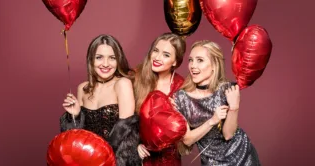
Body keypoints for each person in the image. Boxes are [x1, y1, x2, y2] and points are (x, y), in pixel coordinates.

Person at [173, 40, 261, 165]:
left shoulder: (227, 89)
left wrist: (234, 107)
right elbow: (187, 140)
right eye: (191, 60)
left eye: (200, 60)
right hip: (211, 162)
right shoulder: (181, 97)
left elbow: (228, 134)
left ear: (214, 65)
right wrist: (212, 121)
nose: (193, 65)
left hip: (242, 157)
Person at [60, 34, 141, 166]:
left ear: (118, 60)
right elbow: (76, 139)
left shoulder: (122, 84)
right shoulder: (83, 88)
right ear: (91, 60)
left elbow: (126, 134)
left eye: (112, 58)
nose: (105, 64)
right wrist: (75, 115)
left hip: (116, 162)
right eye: (99, 58)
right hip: (87, 161)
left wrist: (103, 159)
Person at [134, 32, 186, 166]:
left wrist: (179, 113)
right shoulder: (136, 77)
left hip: (170, 159)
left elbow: (185, 133)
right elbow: (126, 119)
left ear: (175, 62)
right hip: (142, 157)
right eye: (155, 51)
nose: (157, 57)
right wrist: (134, 145)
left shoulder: (182, 86)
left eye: (166, 55)